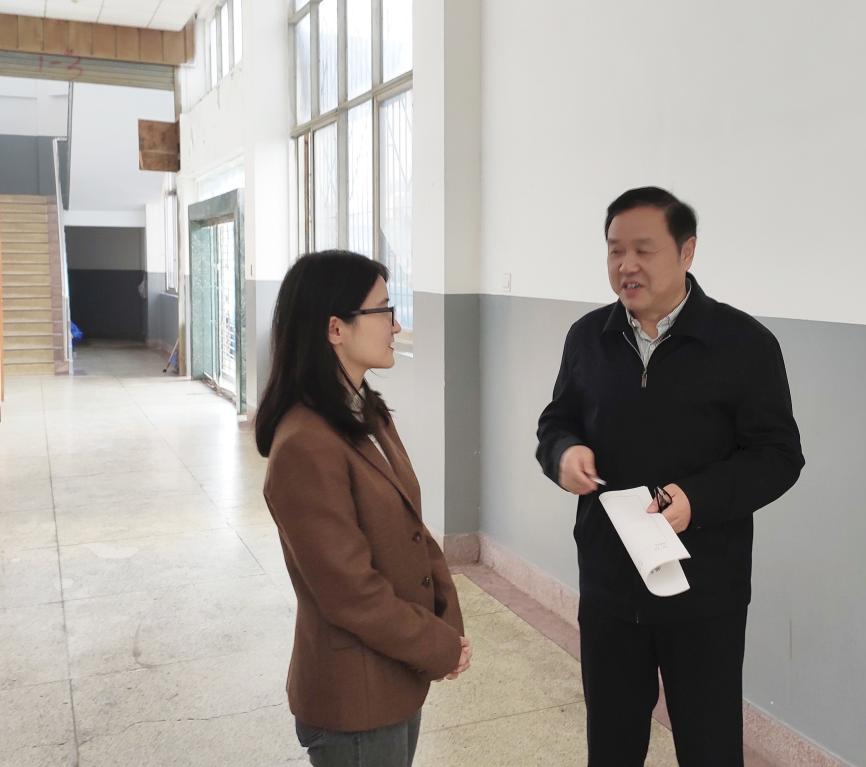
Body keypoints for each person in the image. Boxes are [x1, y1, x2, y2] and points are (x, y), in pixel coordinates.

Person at [536, 187, 804, 766]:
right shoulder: (588, 337)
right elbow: (556, 421)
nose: (626, 265)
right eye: (615, 251)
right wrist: (563, 453)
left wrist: (697, 499)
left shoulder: (744, 344)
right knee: (612, 743)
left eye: (644, 250)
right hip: (609, 580)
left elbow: (779, 455)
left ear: (687, 252)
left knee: (709, 745)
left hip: (703, 586)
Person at [255, 250, 471, 767]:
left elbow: (412, 529)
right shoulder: (305, 444)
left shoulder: (365, 412)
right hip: (354, 698)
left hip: (394, 674)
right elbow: (350, 593)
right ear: (336, 328)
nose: (396, 325)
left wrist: (447, 623)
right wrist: (434, 645)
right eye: (384, 310)